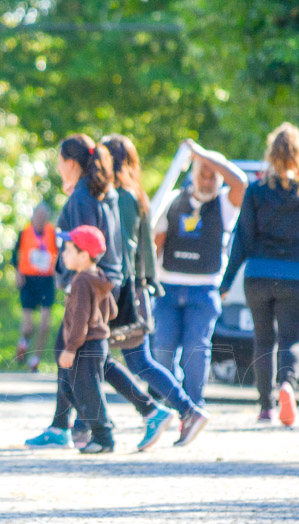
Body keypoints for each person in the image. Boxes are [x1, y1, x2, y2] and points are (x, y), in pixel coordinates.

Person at [27, 134, 206, 452]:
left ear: (70, 163)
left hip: (102, 288)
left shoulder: (105, 196)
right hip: (114, 285)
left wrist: (97, 282)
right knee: (94, 357)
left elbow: (91, 248)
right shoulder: (109, 194)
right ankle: (83, 424)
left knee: (97, 356)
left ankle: (139, 416)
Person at [99, 134, 210, 448]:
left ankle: (177, 410)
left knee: (103, 356)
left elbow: (119, 249)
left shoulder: (119, 197)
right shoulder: (134, 194)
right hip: (135, 288)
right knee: (130, 361)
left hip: (122, 291)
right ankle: (173, 411)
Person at [220, 122, 299, 425]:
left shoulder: (256, 191)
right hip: (295, 276)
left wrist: (225, 282)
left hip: (257, 274)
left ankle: (266, 406)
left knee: (263, 340)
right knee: (291, 339)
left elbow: (241, 241)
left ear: (271, 153)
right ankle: (287, 385)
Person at [151, 139, 248, 407]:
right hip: (167, 289)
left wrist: (203, 154)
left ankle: (193, 406)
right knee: (162, 350)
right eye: (202, 174)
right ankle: (171, 404)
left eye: (213, 177)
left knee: (196, 351)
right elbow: (155, 244)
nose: (207, 182)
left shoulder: (225, 206)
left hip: (203, 291)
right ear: (192, 175)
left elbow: (240, 183)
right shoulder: (171, 202)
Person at [56, 226, 117, 453]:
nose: (63, 253)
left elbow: (80, 317)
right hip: (96, 342)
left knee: (87, 391)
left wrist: (70, 348)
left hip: (85, 345)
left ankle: (104, 437)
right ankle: (101, 423)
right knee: (75, 389)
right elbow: (112, 311)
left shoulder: (82, 280)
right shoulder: (98, 276)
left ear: (83, 255)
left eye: (69, 250)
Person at [13, 202, 58, 372]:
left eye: (43, 216)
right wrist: (18, 272)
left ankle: (35, 360)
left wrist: (58, 276)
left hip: (46, 281)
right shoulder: (24, 233)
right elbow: (14, 254)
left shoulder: (53, 233)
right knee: (28, 326)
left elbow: (60, 256)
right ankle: (23, 342)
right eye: (37, 216)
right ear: (33, 216)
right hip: (29, 281)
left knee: (45, 324)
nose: (40, 219)